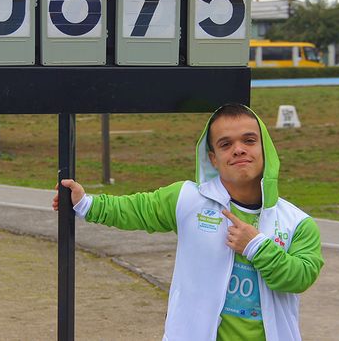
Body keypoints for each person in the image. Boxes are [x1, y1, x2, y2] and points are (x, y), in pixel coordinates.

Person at [53, 104, 323, 340]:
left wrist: (255, 246)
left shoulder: (297, 223)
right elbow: (134, 209)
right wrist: (84, 203)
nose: (239, 150)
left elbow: (300, 278)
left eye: (249, 141)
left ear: (266, 149)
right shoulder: (188, 199)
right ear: (213, 159)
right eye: (225, 144)